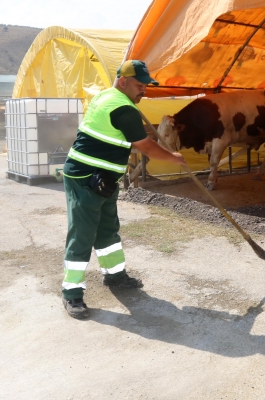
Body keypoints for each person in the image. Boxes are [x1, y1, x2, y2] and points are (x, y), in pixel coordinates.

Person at [61, 60, 186, 319]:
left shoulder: (108, 97)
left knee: (107, 229)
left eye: (146, 86)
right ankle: (72, 292)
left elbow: (126, 142)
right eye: (139, 85)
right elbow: (146, 147)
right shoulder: (122, 108)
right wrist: (172, 157)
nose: (144, 90)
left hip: (104, 179)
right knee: (83, 234)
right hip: (86, 178)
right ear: (122, 81)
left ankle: (115, 275)